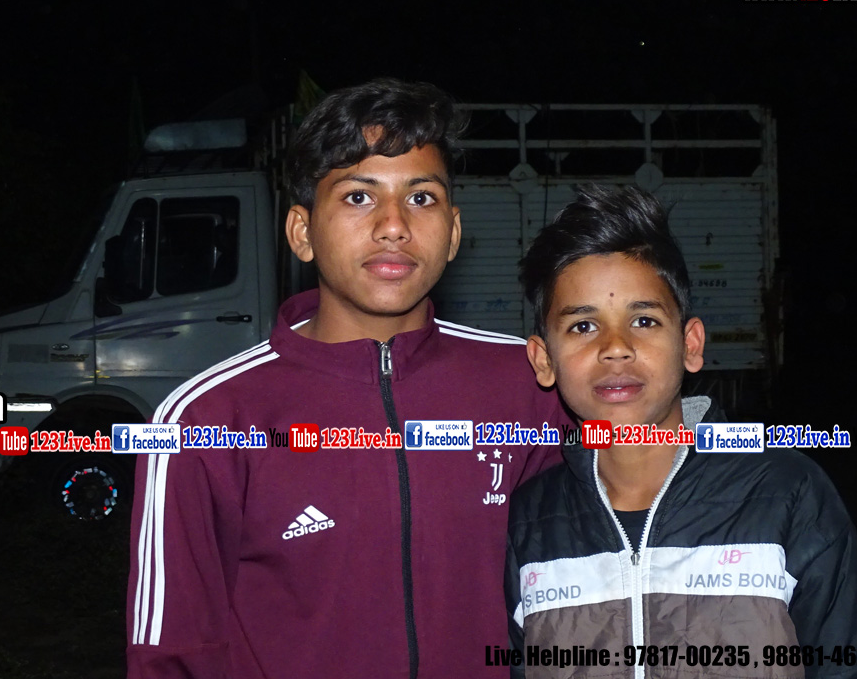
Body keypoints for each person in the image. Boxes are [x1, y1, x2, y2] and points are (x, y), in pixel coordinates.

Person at [126, 78, 567, 678]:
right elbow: (172, 654)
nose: (394, 225)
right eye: (359, 196)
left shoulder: (529, 384)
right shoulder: (204, 420)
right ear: (302, 232)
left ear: (454, 232)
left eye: (422, 198)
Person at [506, 185, 857, 677]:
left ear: (690, 345)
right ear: (544, 360)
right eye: (583, 326)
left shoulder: (786, 494)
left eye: (643, 320)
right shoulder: (530, 521)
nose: (615, 347)